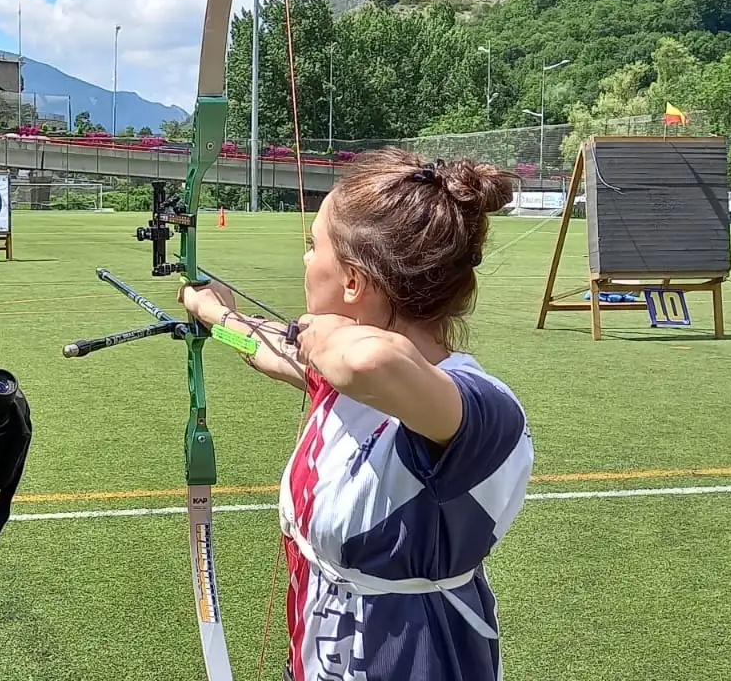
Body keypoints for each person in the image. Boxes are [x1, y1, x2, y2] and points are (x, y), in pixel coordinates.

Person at [180, 148, 535, 681]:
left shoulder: (479, 409)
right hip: (326, 650)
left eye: (313, 246)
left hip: (416, 658)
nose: (305, 261)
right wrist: (216, 313)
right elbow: (268, 349)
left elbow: (369, 360)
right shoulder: (349, 377)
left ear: (352, 282)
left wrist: (329, 335)